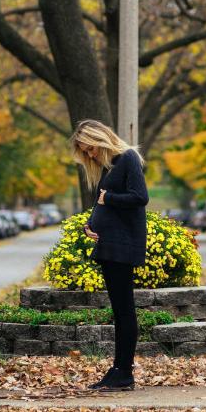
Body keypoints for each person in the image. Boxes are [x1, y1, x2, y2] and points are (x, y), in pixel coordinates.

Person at [70, 119, 149, 392]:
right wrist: (90, 225)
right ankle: (118, 369)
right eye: (86, 152)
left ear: (100, 140)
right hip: (109, 244)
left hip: (122, 245)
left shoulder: (127, 158)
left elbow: (140, 197)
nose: (90, 155)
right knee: (119, 310)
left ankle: (124, 372)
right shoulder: (109, 167)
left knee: (124, 309)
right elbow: (102, 203)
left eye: (90, 149)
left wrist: (109, 200)